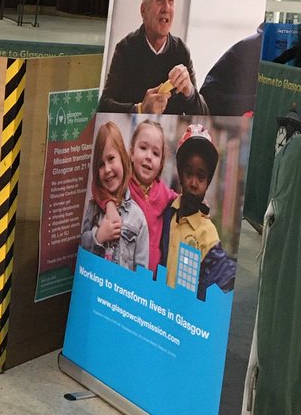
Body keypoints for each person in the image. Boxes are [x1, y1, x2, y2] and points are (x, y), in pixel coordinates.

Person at [98, 0, 208, 115]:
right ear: (144, 10)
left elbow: (203, 117)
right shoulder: (126, 48)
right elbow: (104, 105)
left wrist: (190, 91)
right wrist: (140, 109)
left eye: (171, 0)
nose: (166, 8)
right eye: (159, 0)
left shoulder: (181, 51)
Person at [160, 124, 237, 299]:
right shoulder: (167, 213)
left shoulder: (207, 233)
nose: (194, 183)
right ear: (180, 173)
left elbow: (224, 273)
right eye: (189, 173)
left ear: (208, 181)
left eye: (201, 177)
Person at [80, 121, 148, 271]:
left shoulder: (138, 218)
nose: (107, 169)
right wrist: (98, 236)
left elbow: (142, 272)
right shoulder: (92, 209)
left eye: (111, 159)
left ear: (123, 158)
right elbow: (80, 250)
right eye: (101, 165)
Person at [128, 120, 175, 271]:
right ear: (131, 153)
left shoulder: (163, 192)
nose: (149, 156)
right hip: (125, 270)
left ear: (161, 164)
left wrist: (201, 206)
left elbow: (182, 200)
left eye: (155, 153)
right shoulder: (123, 185)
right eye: (143, 148)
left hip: (151, 277)